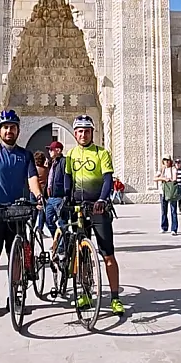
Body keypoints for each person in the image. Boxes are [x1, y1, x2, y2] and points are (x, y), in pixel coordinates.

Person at [0, 110, 44, 317]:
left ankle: (14, 294)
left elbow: (32, 178)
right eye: (5, 127)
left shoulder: (25, 155)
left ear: (17, 130)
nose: (9, 130)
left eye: (12, 127)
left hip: (17, 212)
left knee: (16, 257)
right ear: (0, 131)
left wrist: (38, 195)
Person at [63, 114, 125, 316]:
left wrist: (102, 200)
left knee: (108, 254)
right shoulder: (70, 155)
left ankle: (115, 297)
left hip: (98, 209)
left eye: (87, 131)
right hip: (78, 209)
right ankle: (86, 293)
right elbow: (67, 181)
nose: (83, 134)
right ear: (75, 134)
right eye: (80, 131)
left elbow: (107, 180)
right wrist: (66, 201)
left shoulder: (101, 153)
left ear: (92, 133)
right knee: (83, 255)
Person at [45, 141, 66, 237]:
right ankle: (57, 240)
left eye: (51, 149)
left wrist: (66, 194)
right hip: (50, 198)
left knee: (62, 222)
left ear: (58, 150)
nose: (49, 152)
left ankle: (61, 246)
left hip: (59, 197)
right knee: (48, 220)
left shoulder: (63, 162)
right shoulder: (53, 163)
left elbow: (66, 178)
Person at [155, 156, 178, 235]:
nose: (166, 162)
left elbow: (174, 179)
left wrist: (169, 179)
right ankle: (164, 227)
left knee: (173, 211)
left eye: (167, 160)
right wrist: (163, 178)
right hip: (163, 192)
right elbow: (155, 178)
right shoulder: (161, 170)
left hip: (171, 192)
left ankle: (174, 229)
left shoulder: (173, 169)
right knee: (164, 211)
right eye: (164, 160)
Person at [33, 150, 49, 235]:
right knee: (42, 211)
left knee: (34, 211)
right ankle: (40, 228)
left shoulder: (33, 169)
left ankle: (32, 227)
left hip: (33, 191)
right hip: (42, 192)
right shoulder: (46, 170)